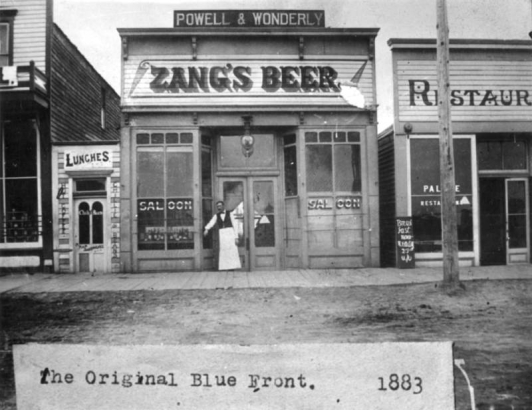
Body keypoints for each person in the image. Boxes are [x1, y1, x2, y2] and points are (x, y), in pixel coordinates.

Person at [203, 201, 241, 271]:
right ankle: (225, 267)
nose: (219, 207)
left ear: (223, 206)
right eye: (218, 206)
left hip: (230, 233)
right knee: (224, 250)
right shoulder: (216, 215)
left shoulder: (230, 214)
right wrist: (206, 229)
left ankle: (232, 267)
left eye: (220, 206)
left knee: (231, 250)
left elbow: (235, 225)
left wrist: (236, 237)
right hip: (222, 233)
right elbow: (211, 222)